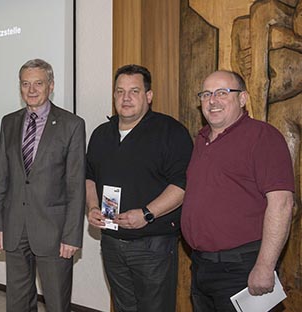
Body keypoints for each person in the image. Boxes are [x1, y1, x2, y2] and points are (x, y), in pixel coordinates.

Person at [182, 70, 295, 312]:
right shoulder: (202, 140)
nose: (212, 101)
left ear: (243, 99)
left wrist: (265, 267)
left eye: (222, 93)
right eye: (206, 94)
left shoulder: (262, 136)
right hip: (202, 267)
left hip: (242, 269)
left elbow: (282, 204)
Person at [85, 64, 193, 312]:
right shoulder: (101, 134)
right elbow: (89, 177)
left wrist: (146, 213)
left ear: (149, 96)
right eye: (120, 91)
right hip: (111, 241)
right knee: (123, 307)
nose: (126, 98)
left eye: (134, 91)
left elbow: (182, 184)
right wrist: (92, 206)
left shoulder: (170, 132)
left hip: (153, 244)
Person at [0, 58, 86, 312]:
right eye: (25, 84)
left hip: (54, 232)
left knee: (56, 303)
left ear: (51, 85)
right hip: (14, 226)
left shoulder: (72, 125)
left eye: (38, 83)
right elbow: (2, 177)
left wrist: (71, 235)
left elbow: (76, 186)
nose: (31, 90)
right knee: (18, 302)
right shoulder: (8, 122)